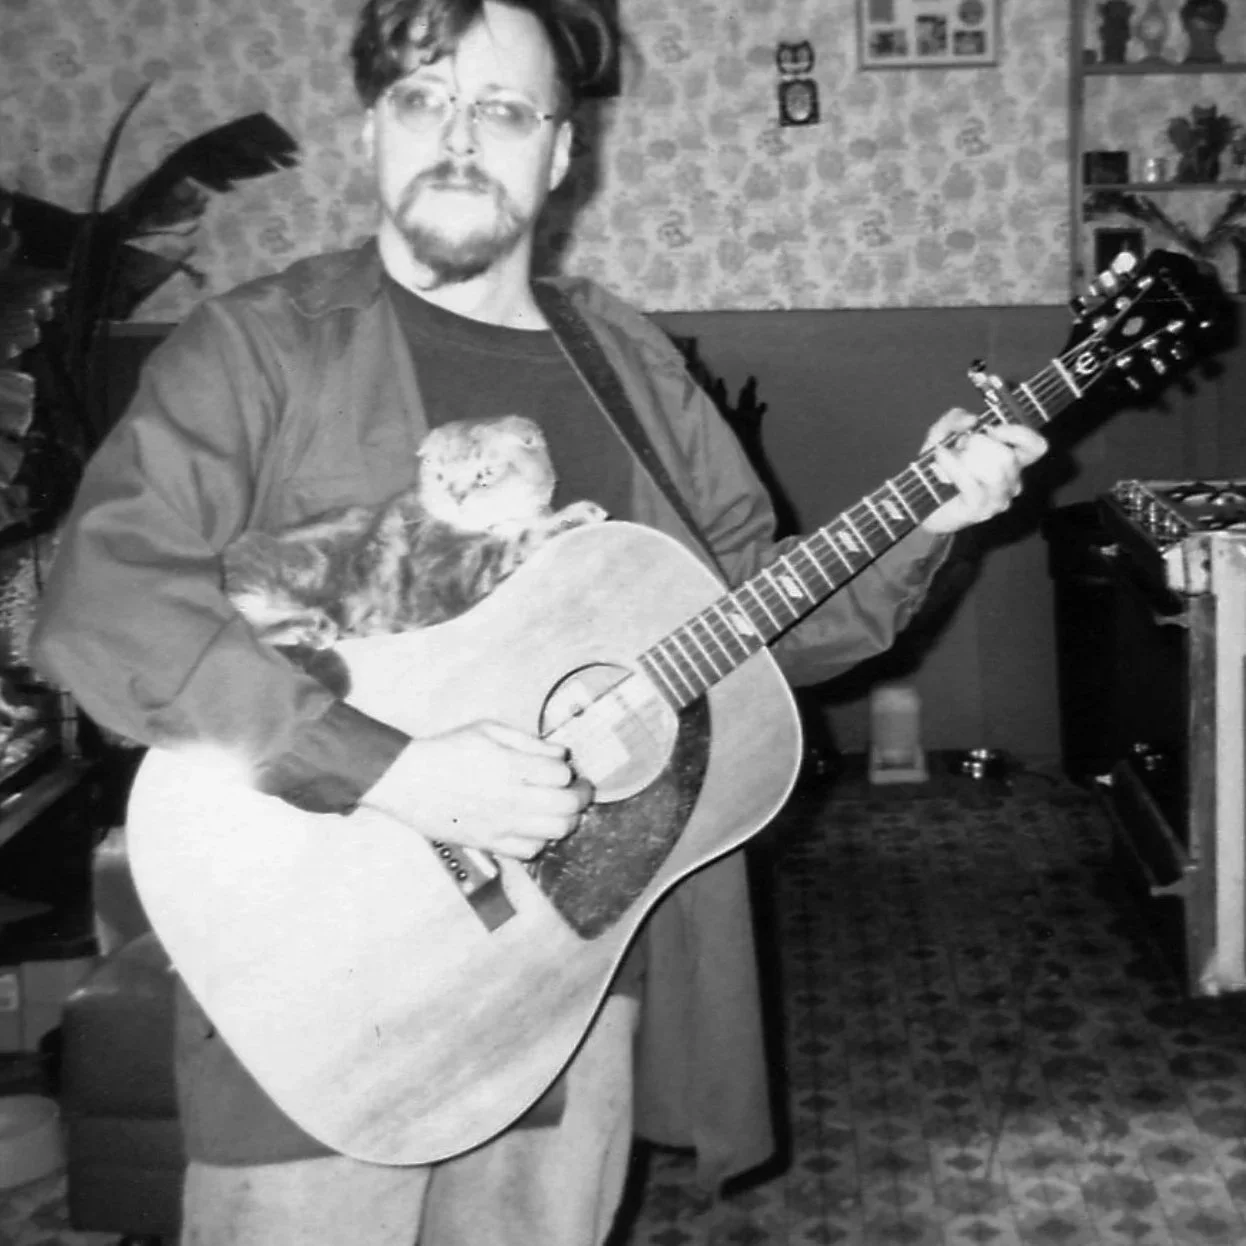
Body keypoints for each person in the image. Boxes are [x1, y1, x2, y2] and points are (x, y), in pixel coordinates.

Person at [31, 0, 1046, 1242]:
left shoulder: (625, 359)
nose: (459, 135)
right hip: (319, 973)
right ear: (373, 133)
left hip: (571, 965)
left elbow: (749, 626)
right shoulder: (261, 346)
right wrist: (396, 770)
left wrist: (928, 519)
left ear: (561, 153)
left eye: (502, 108)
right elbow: (108, 599)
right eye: (422, 98)